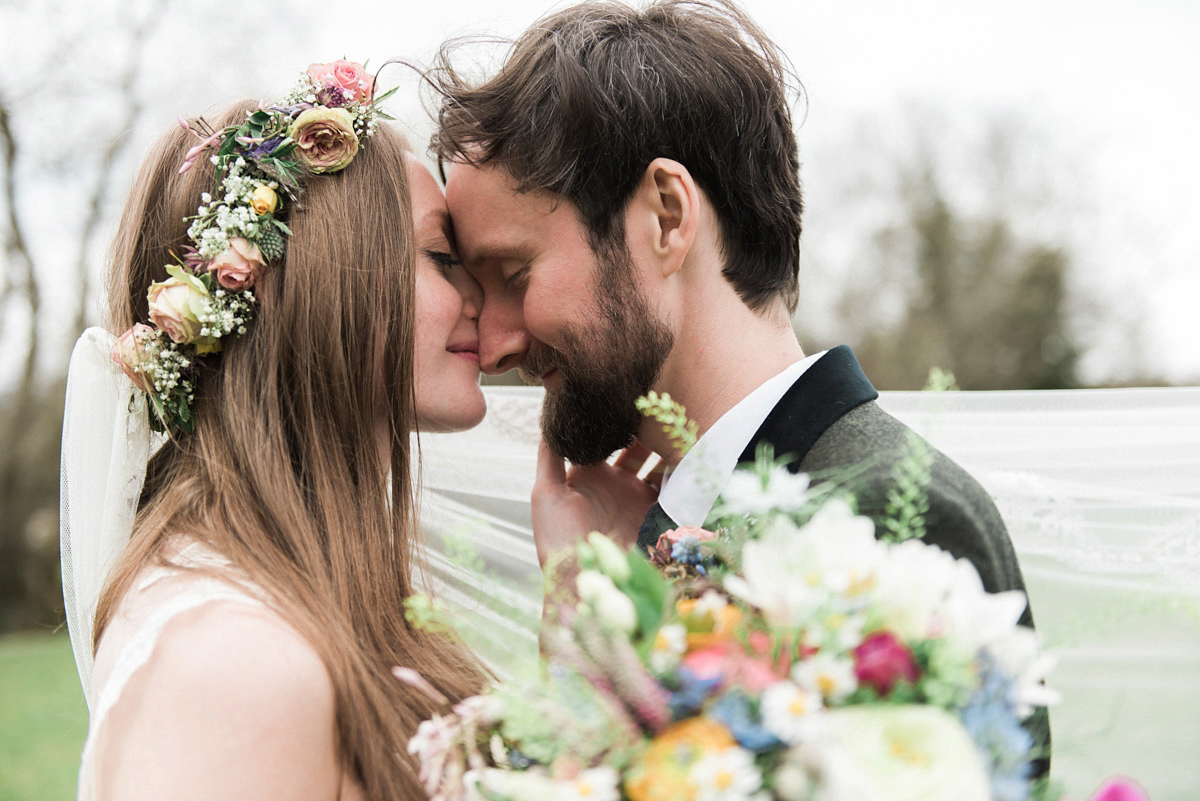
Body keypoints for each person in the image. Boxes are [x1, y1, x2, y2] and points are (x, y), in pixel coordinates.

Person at [427, 0, 1049, 776]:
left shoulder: (892, 522)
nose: (493, 345)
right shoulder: (644, 546)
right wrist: (594, 626)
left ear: (667, 214)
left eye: (516, 275)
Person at [60, 60, 488, 801]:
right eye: (442, 257)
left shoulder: (305, 594)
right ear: (312, 283)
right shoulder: (229, 664)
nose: (478, 292)